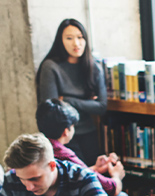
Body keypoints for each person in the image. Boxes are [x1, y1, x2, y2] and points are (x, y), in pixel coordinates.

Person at [36, 98, 131, 196]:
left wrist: (94, 169)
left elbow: (69, 175)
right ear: (67, 130)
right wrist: (116, 176)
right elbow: (110, 189)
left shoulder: (38, 148)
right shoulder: (64, 153)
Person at [38, 18, 107, 164]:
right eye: (69, 38)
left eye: (80, 37)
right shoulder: (51, 67)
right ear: (60, 41)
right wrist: (87, 103)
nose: (76, 43)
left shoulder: (94, 67)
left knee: (94, 174)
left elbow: (101, 106)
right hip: (62, 136)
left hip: (88, 131)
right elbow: (52, 110)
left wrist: (68, 100)